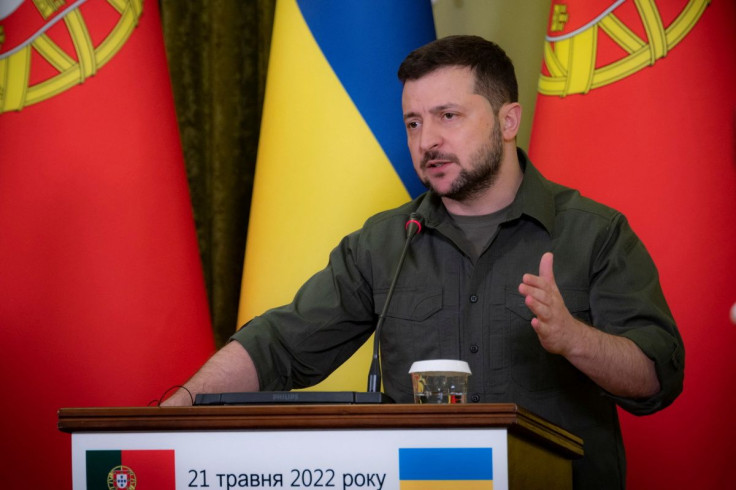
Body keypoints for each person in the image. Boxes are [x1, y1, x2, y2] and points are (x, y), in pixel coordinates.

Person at [163, 35, 684, 489]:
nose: (426, 140)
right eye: (413, 122)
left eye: (448, 116)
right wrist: (183, 401)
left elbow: (657, 376)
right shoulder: (383, 243)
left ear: (508, 120)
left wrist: (575, 338)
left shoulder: (595, 233)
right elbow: (279, 343)